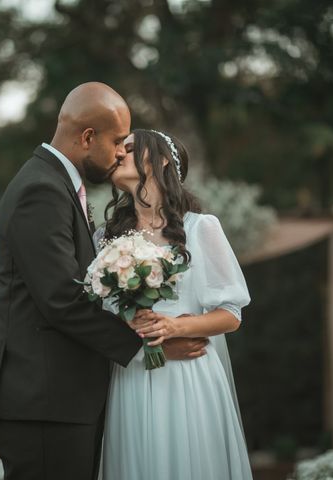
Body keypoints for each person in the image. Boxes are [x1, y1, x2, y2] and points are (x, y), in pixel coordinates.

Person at [0, 83, 207, 480]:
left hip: (56, 401)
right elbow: (62, 299)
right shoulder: (41, 191)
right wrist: (148, 350)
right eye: (117, 142)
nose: (120, 152)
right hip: (44, 403)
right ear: (86, 137)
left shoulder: (55, 185)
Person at [96, 128, 253, 480]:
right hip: (132, 373)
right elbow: (97, 315)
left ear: (162, 160)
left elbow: (230, 315)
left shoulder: (201, 229)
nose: (119, 152)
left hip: (188, 376)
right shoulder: (105, 238)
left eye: (131, 146)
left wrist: (174, 327)